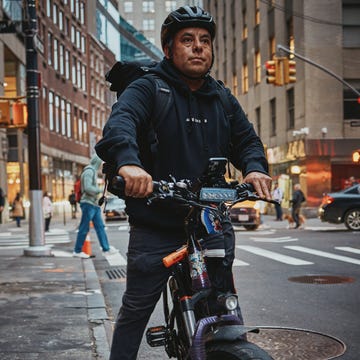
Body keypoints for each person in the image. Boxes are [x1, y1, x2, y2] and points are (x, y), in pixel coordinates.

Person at [95, 6, 272, 360]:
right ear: (168, 49)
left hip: (209, 221)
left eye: (205, 41)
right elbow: (122, 123)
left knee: (223, 306)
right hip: (157, 221)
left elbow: (247, 140)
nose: (198, 47)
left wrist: (254, 168)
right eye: (187, 40)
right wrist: (130, 165)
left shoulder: (221, 97)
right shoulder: (149, 88)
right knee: (136, 310)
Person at [73, 154, 117, 258]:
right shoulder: (89, 171)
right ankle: (77, 251)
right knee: (84, 228)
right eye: (101, 163)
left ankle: (106, 248)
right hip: (88, 203)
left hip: (93, 203)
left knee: (100, 227)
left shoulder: (91, 171)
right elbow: (88, 188)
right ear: (97, 162)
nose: (102, 165)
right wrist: (100, 190)